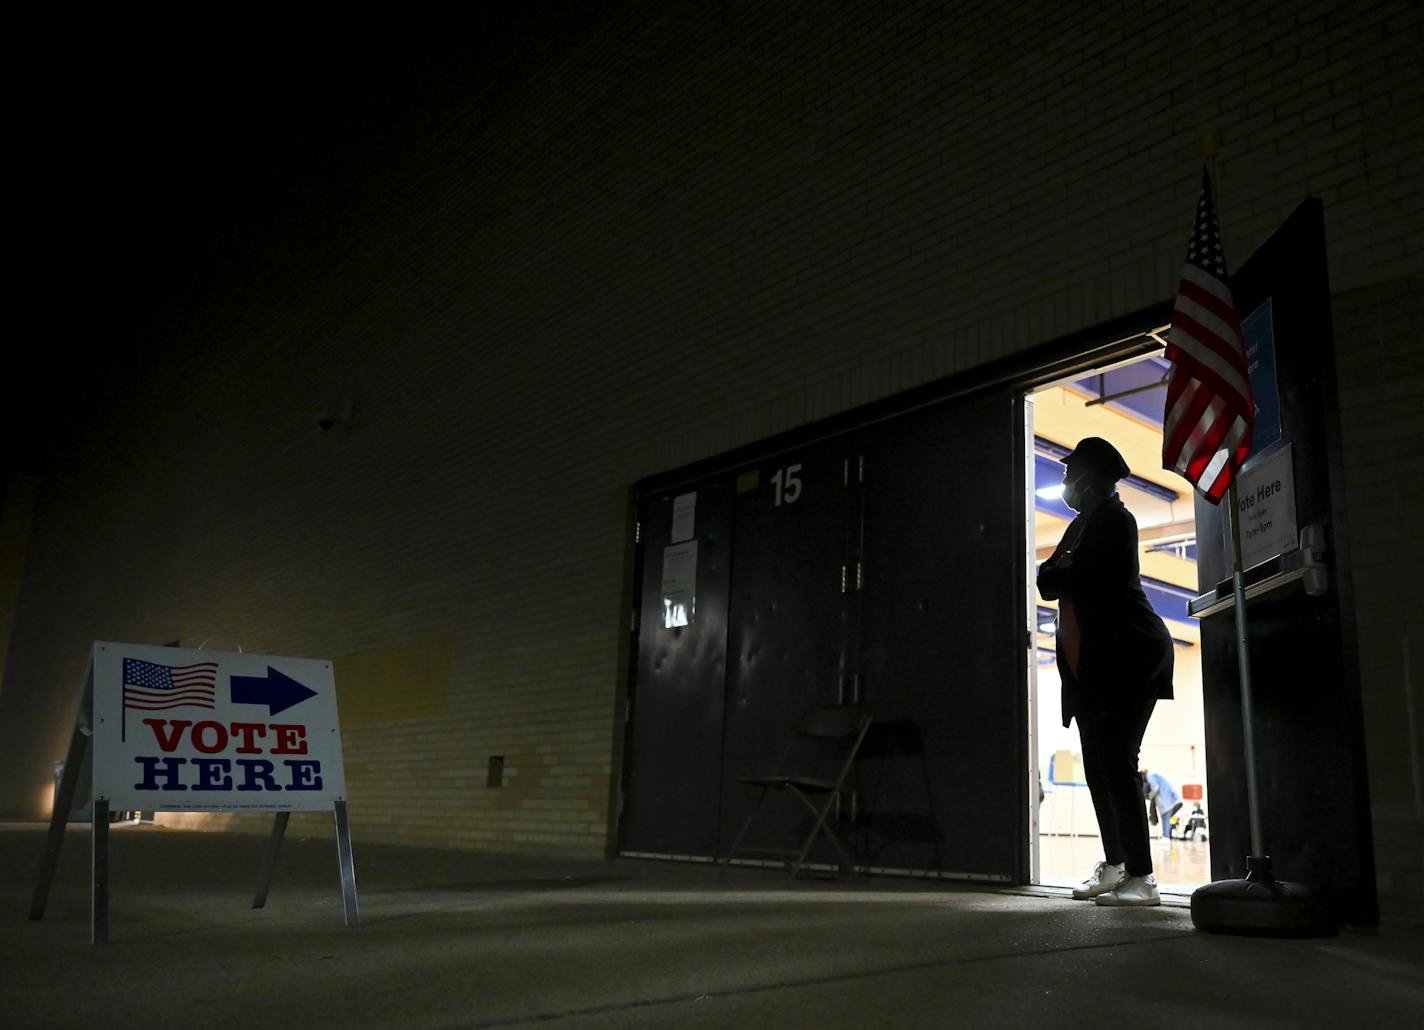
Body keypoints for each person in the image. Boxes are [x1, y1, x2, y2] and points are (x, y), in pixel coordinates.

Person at [1037, 437, 1175, 907]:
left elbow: (1081, 577)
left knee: (1117, 763)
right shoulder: (1080, 527)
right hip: (1092, 670)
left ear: (1090, 477)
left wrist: (1065, 569)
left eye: (1068, 472)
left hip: (1131, 659)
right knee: (1097, 768)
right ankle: (1115, 865)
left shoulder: (1117, 520)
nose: (1064, 481)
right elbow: (1046, 579)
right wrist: (1064, 567)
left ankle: (1143, 877)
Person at [1141, 768, 1182, 840]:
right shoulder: (1155, 774)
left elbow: (1155, 787)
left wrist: (1150, 796)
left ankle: (1166, 837)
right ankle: (1167, 835)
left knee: (1166, 817)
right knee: (1166, 817)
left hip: (1166, 801)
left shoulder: (1150, 775)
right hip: (1172, 800)